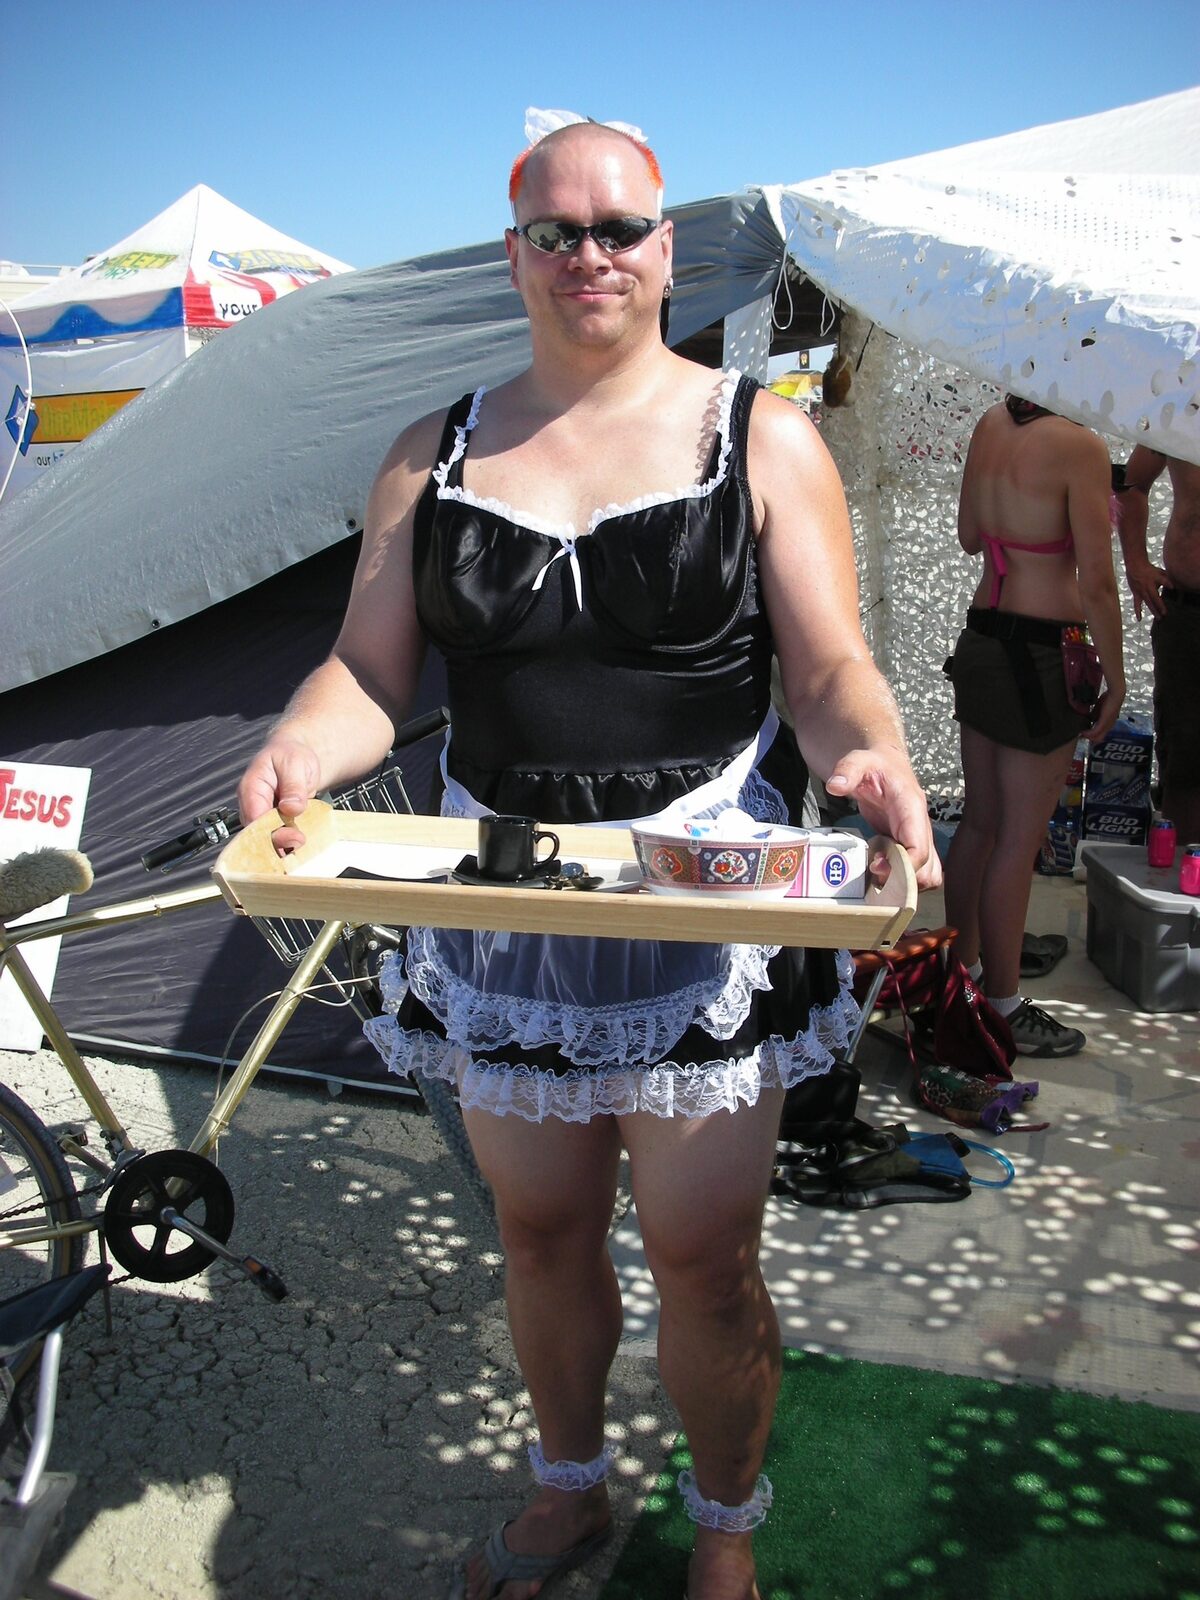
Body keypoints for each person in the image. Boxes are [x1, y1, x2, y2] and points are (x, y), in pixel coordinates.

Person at [238, 112, 939, 1600]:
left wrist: (866, 750)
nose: (591, 256)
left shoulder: (766, 435)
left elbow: (828, 673)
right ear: (516, 258)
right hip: (500, 892)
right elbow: (368, 673)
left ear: (666, 245)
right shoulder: (431, 452)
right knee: (544, 1227)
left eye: (620, 227)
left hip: (705, 897)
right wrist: (304, 745)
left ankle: (726, 1533)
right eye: (557, 233)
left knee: (700, 1254)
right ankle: (570, 1488)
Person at [943, 394, 1125, 1059]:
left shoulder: (990, 423)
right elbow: (1098, 581)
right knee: (1020, 840)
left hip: (983, 638)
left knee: (981, 824)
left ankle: (956, 975)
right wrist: (1117, 674)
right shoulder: (1080, 446)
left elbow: (969, 537)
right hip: (1044, 651)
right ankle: (1004, 1004)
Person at [1114, 446, 1200, 845]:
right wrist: (1135, 563)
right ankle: (1179, 881)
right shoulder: (1186, 401)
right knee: (1183, 755)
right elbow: (1131, 483)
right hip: (1188, 611)